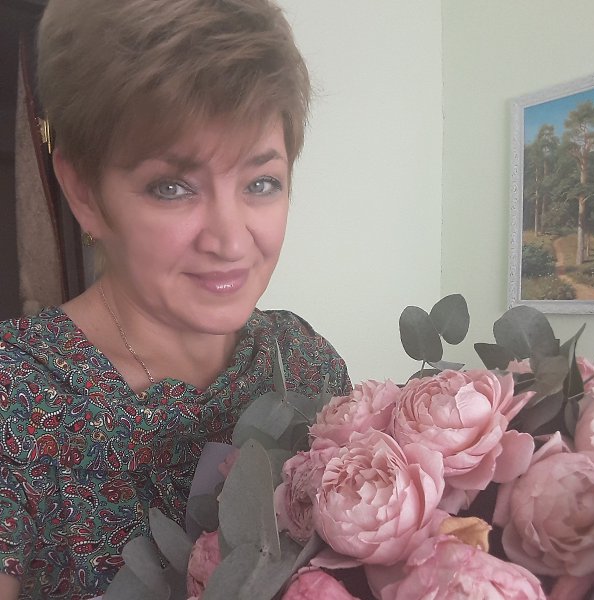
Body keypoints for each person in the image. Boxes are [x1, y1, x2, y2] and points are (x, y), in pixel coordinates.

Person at [0, 1, 351, 598]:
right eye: (172, 188)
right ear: (84, 193)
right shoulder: (16, 396)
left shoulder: (305, 360)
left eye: (260, 182)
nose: (230, 240)